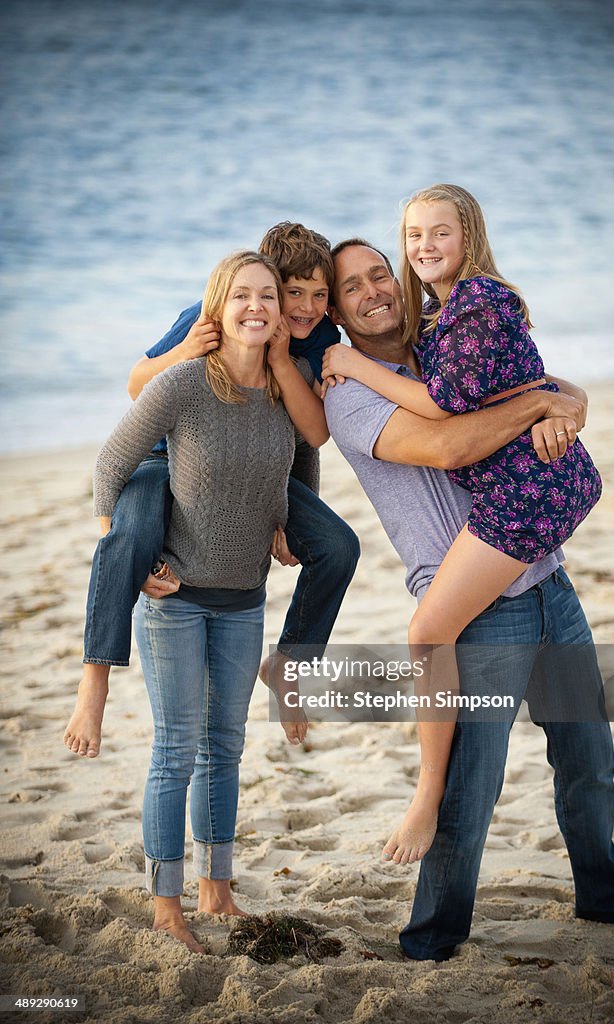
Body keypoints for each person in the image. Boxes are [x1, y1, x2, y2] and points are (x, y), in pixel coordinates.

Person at [323, 239, 614, 961]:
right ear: (337, 311)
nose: (373, 291)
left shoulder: (448, 343)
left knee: (588, 757)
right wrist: (536, 405)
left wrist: (565, 404)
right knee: (470, 788)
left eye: (380, 273)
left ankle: (604, 899)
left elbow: (554, 388)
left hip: (544, 577)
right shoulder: (346, 393)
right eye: (352, 287)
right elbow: (449, 446)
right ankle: (431, 939)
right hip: (471, 607)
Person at [83, 251, 322, 952]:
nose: (256, 306)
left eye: (267, 297)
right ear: (217, 309)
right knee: (177, 750)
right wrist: (127, 550)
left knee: (226, 747)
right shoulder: (184, 384)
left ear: (282, 314)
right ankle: (166, 906)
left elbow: (301, 457)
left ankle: (216, 890)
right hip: (178, 599)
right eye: (240, 296)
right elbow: (110, 466)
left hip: (245, 598)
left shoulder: (285, 391)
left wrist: (284, 518)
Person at [64, 223, 360, 757]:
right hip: (168, 454)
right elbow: (138, 385)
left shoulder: (319, 340)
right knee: (128, 537)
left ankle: (290, 665)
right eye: (292, 292)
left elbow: (306, 436)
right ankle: (96, 678)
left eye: (320, 295)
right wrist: (187, 351)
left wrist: (289, 513)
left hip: (259, 466)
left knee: (340, 547)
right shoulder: (206, 315)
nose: (305, 307)